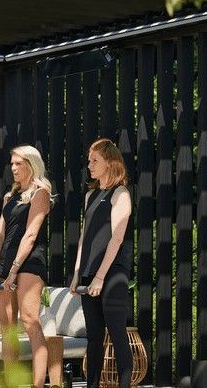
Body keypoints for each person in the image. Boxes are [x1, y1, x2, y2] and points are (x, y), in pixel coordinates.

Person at [0, 145, 53, 388]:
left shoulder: (40, 192)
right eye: (12, 163)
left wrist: (14, 270)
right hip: (5, 264)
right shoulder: (9, 196)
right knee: (7, 328)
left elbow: (31, 234)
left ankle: (38, 384)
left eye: (19, 164)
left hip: (30, 261)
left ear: (32, 165)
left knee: (29, 320)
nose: (13, 168)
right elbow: (0, 236)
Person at [70, 138, 133, 388]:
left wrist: (100, 277)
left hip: (113, 273)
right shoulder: (90, 195)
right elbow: (85, 238)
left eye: (94, 160)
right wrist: (78, 273)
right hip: (89, 273)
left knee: (117, 334)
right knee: (94, 338)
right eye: (89, 161)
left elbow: (117, 237)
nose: (90, 165)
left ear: (110, 162)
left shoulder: (121, 194)